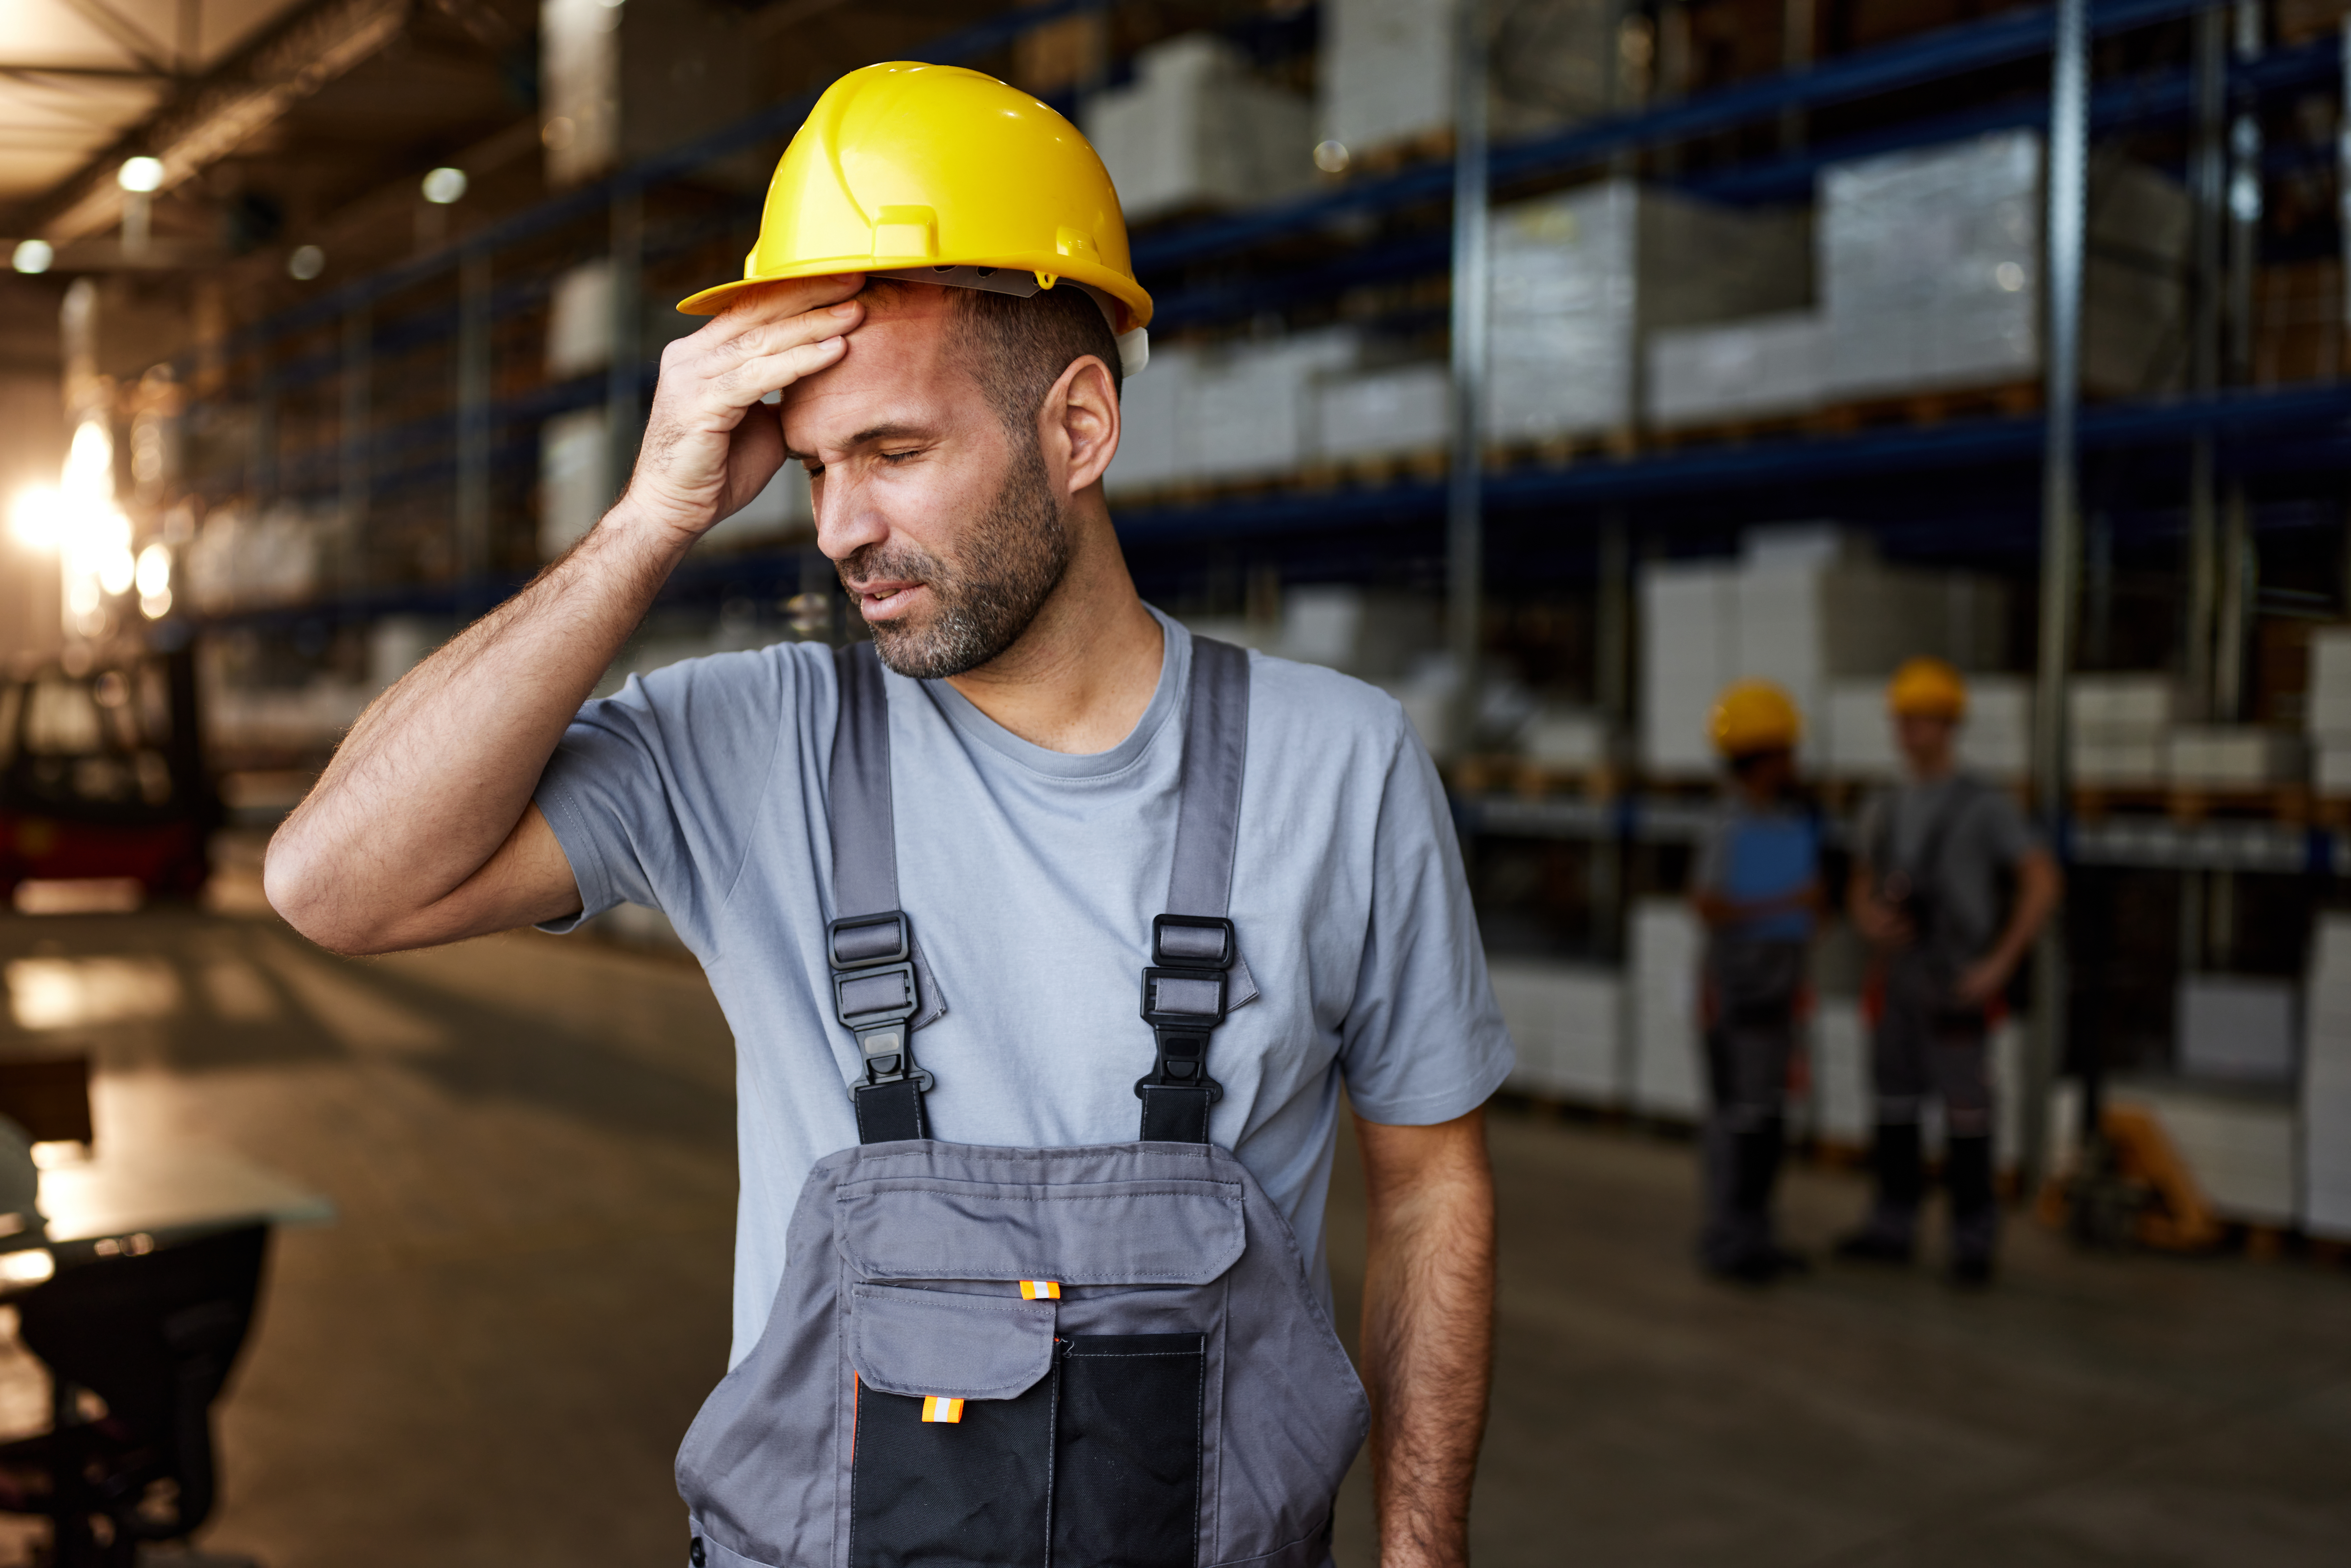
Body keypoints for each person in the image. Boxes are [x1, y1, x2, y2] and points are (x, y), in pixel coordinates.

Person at [264, 62, 1510, 1568]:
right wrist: (649, 515)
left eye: (897, 453)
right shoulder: (752, 743)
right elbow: (334, 886)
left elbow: (1431, 1184)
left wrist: (1421, 1544)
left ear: (1081, 427)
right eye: (813, 467)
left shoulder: (1341, 763)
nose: (843, 526)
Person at [1839, 658, 2059, 1285]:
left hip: (1958, 980)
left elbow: (2041, 880)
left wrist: (2001, 961)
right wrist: (1867, 918)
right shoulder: (1882, 803)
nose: (1911, 731)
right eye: (1904, 720)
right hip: (1897, 976)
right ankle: (1891, 1224)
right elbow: (1860, 878)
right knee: (1894, 1107)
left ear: (1950, 725)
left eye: (1924, 720)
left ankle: (1971, 1240)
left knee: (1968, 1115)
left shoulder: (1983, 804)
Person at [1689, 680, 1822, 1284]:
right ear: (1764, 756)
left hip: (1776, 990)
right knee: (1737, 1120)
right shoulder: (1727, 825)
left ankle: (1757, 1232)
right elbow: (1710, 906)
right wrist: (1788, 901)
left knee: (1766, 1120)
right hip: (1737, 994)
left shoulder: (1789, 823)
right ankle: (1729, 1236)